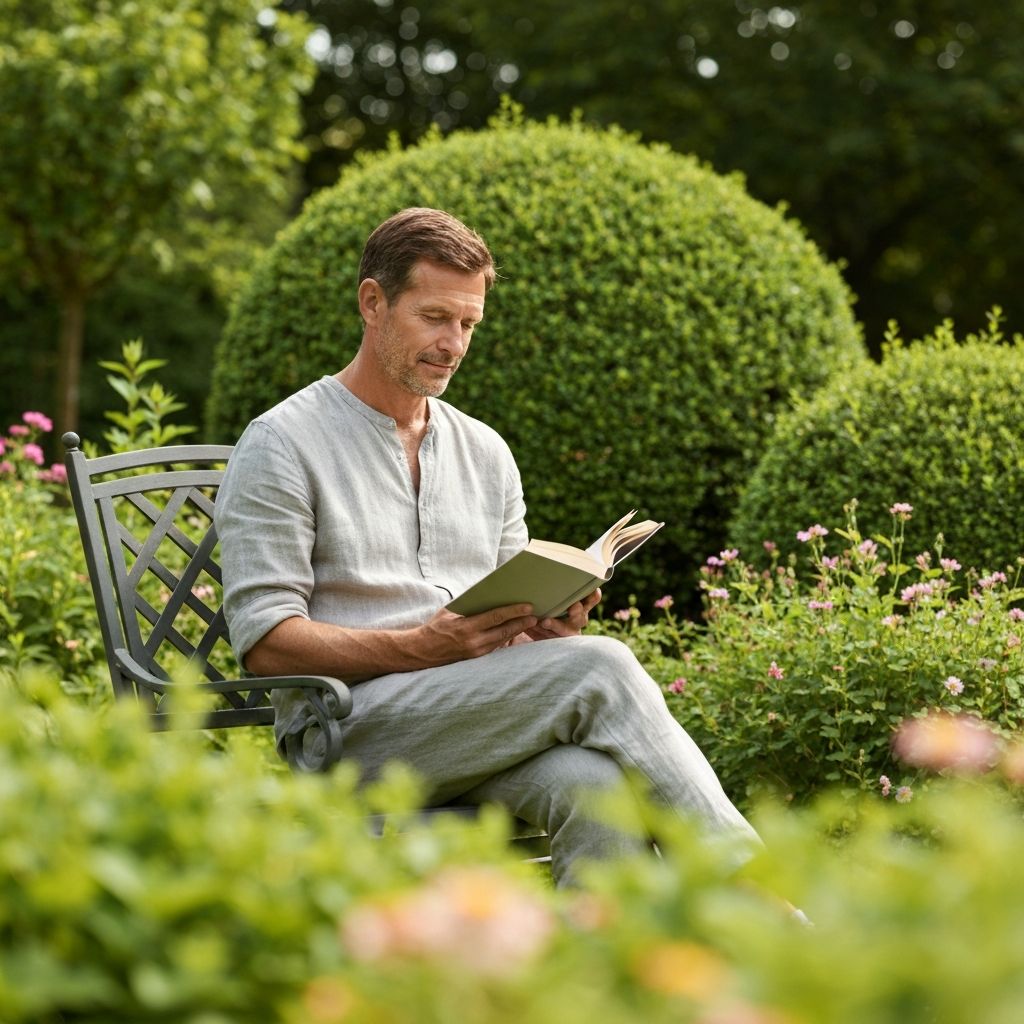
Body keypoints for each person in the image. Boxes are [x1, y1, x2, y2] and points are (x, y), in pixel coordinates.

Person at [216, 207, 759, 885]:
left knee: (597, 790)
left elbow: (505, 639)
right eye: (436, 317)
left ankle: (597, 983)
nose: (455, 343)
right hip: (348, 732)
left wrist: (548, 626)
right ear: (372, 303)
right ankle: (759, 895)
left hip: (472, 719)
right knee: (603, 669)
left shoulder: (486, 451)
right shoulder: (283, 443)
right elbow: (265, 641)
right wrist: (419, 646)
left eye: (469, 323)